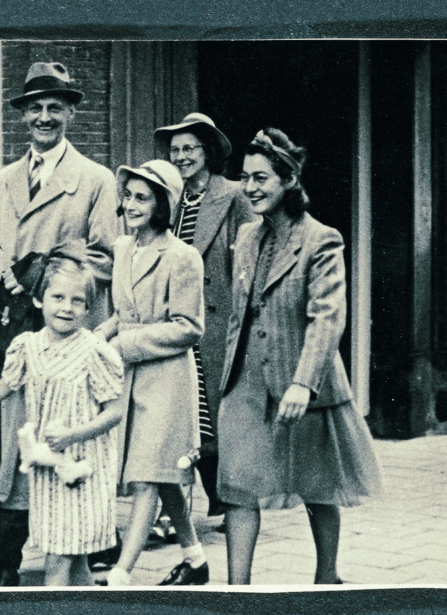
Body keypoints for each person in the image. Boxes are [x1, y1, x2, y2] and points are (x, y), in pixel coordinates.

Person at [0, 61, 121, 587]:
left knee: (64, 443)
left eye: (55, 107)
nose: (45, 117)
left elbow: (105, 258)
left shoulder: (95, 181)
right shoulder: (5, 181)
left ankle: (80, 550)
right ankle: (4, 560)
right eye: (36, 108)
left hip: (68, 333)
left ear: (71, 112)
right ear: (23, 116)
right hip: (16, 333)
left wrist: (47, 269)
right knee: (17, 443)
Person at [218, 128, 381, 585]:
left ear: (288, 179)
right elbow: (238, 315)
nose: (250, 187)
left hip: (300, 383)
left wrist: (302, 382)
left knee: (318, 485)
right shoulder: (247, 237)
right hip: (247, 380)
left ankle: (326, 577)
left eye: (261, 178)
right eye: (245, 177)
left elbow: (327, 318)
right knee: (238, 486)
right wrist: (226, 380)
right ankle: (237, 591)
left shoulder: (321, 239)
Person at [0, 247, 125, 586]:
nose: (66, 307)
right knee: (76, 567)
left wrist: (73, 435)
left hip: (82, 473)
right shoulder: (27, 347)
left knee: (59, 565)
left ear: (89, 308)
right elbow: (3, 387)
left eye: (77, 301)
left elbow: (115, 412)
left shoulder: (95, 353)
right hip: (47, 477)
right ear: (39, 300)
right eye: (58, 297)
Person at [94, 160, 210, 587]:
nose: (132, 204)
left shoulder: (182, 257)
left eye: (143, 198)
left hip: (166, 381)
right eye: (128, 196)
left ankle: (122, 573)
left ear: (163, 204)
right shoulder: (123, 248)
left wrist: (123, 344)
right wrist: (95, 339)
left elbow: (188, 327)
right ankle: (196, 560)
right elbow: (120, 315)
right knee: (161, 474)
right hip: (127, 380)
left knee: (147, 473)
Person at [152, 112, 256, 527]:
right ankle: (179, 507)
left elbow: (251, 261)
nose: (181, 157)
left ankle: (232, 501)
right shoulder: (171, 200)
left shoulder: (234, 196)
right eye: (174, 151)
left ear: (208, 152)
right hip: (179, 321)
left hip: (219, 325)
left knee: (217, 415)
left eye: (189, 149)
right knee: (185, 415)